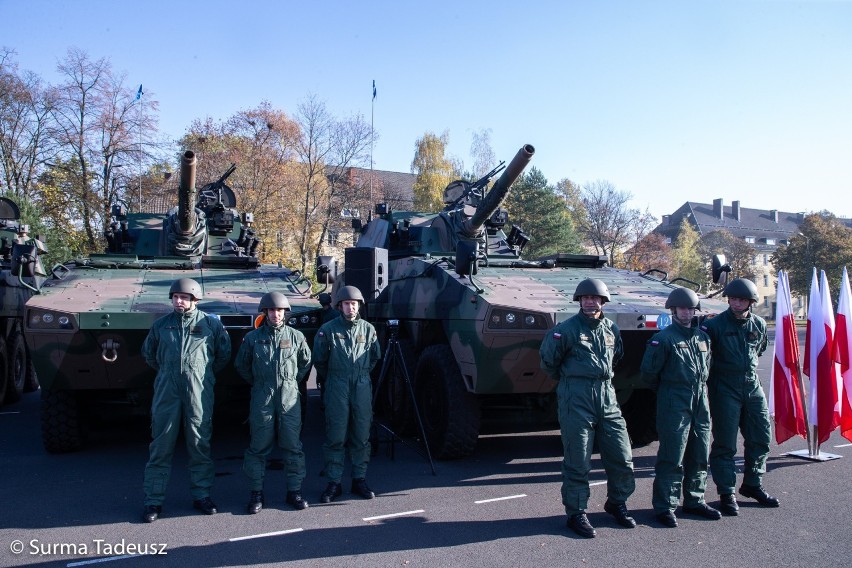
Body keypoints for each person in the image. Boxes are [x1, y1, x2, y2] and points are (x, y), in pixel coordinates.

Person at [540, 278, 636, 539]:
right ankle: (576, 512)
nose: (590, 301)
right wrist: (575, 380)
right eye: (584, 298)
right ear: (579, 301)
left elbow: (616, 357)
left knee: (622, 457)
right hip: (577, 397)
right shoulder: (566, 330)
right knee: (578, 460)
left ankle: (617, 503)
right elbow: (549, 362)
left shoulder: (611, 330)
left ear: (603, 301)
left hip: (607, 396)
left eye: (594, 298)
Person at [141, 278, 232, 523]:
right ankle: (154, 500)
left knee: (199, 443)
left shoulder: (210, 325)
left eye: (184, 297)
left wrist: (202, 374)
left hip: (199, 391)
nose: (179, 301)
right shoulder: (161, 325)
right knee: (160, 446)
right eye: (175, 297)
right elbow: (149, 355)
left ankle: (201, 495)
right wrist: (170, 373)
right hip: (166, 391)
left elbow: (222, 354)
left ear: (195, 299)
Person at [641, 288, 721, 528]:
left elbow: (708, 368)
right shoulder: (663, 339)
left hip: (700, 400)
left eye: (690, 309)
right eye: (682, 308)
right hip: (674, 400)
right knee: (672, 455)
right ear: (673, 310)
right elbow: (648, 375)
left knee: (699, 453)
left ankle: (695, 500)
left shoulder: (702, 338)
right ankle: (665, 505)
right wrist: (671, 392)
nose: (686, 312)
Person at [700, 277, 779, 515]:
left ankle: (753, 484)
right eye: (733, 298)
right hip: (724, 386)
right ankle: (727, 492)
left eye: (742, 299)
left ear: (750, 302)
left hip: (752, 385)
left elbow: (760, 348)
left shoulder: (758, 324)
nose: (736, 303)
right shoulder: (714, 326)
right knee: (725, 442)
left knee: (761, 436)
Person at [236, 291, 312, 514]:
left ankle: (295, 491)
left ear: (285, 313)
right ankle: (256, 493)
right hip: (263, 396)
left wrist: (291, 383)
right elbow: (242, 365)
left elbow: (305, 363)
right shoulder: (253, 339)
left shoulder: (296, 337)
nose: (276, 314)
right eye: (271, 310)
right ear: (265, 312)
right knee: (258, 446)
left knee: (292, 445)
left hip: (289, 397)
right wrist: (261, 383)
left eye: (279, 310)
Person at [312, 285, 381, 503]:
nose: (350, 308)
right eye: (346, 304)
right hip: (337, 385)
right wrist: (335, 377)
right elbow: (320, 360)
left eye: (353, 304)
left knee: (361, 435)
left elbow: (374, 357)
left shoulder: (368, 330)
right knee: (336, 436)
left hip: (361, 385)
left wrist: (360, 376)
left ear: (358, 305)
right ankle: (334, 482)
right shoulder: (328, 329)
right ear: (339, 306)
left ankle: (359, 479)